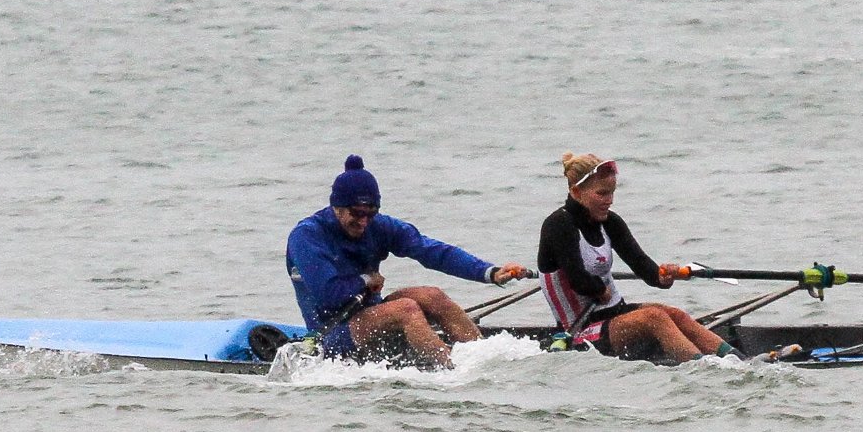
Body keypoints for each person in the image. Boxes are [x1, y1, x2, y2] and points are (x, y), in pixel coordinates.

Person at [286, 155, 535, 368]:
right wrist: (366, 279)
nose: (364, 222)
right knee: (406, 308)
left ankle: (485, 361)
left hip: (373, 318)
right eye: (357, 214)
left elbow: (433, 251)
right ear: (336, 207)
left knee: (432, 295)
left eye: (370, 214)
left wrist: (489, 272)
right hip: (330, 334)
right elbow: (330, 294)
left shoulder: (380, 227)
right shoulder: (307, 237)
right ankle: (452, 371)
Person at [536, 153, 737, 362]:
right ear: (577, 192)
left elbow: (645, 269)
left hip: (616, 316)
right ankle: (703, 367)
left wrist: (664, 276)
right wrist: (598, 289)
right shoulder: (558, 225)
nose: (609, 201)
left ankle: (738, 360)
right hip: (579, 330)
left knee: (675, 314)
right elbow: (579, 280)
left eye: (612, 193)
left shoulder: (610, 222)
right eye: (602, 194)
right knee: (654, 317)